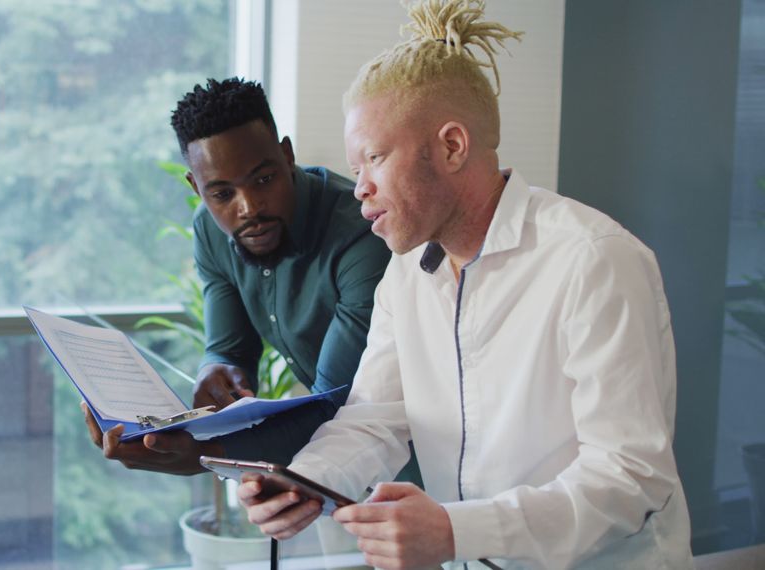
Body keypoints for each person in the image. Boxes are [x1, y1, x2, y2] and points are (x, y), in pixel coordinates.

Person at [237, 1, 694, 568]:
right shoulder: (405, 274)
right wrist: (305, 481)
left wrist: (459, 530)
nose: (360, 189)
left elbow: (631, 477)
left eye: (375, 158)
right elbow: (375, 417)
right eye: (356, 170)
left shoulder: (593, 259)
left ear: (452, 146)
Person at [82, 77, 409, 478]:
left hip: (413, 461)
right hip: (339, 469)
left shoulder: (361, 236)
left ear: (286, 155)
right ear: (196, 187)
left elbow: (333, 403)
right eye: (222, 194)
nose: (249, 208)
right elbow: (229, 350)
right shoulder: (210, 230)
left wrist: (205, 455)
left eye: (263, 179)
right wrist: (216, 371)